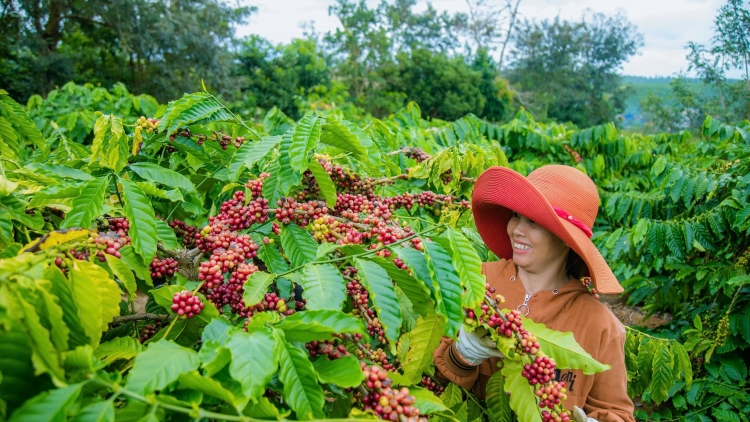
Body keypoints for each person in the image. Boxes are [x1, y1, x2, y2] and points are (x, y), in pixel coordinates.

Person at [433, 165, 635, 422]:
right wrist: (462, 354)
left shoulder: (598, 324)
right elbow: (430, 384)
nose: (517, 229)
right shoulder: (475, 280)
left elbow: (615, 410)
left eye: (533, 221)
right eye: (516, 215)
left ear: (565, 238)